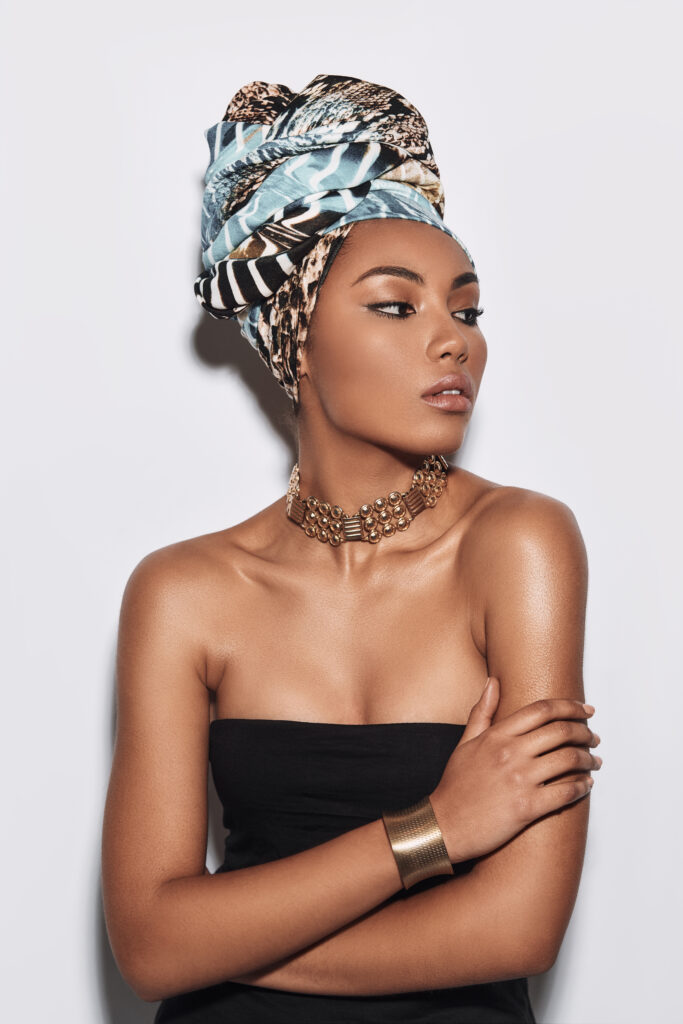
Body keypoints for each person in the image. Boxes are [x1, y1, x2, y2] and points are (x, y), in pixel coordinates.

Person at [101, 74, 601, 1023]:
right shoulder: (183, 592)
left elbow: (518, 929)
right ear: (294, 333)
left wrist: (221, 941)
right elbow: (150, 949)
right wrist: (435, 828)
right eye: (394, 307)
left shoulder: (519, 544)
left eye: (466, 309)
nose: (453, 342)